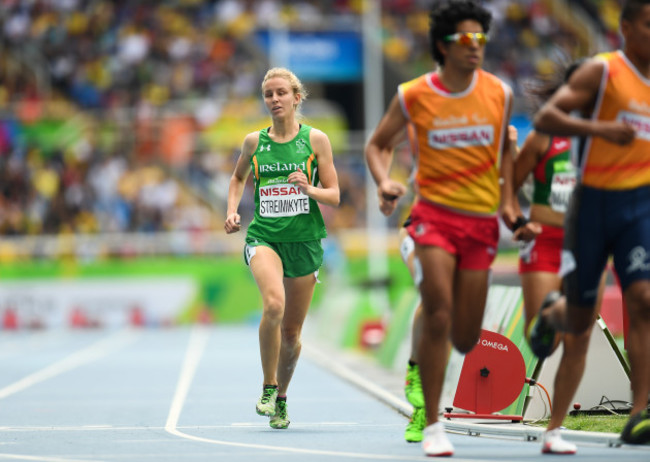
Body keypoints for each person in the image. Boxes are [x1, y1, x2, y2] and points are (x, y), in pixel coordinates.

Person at [365, 0, 527, 456]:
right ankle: (433, 423)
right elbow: (378, 145)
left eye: (482, 39)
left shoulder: (500, 93)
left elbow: (507, 152)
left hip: (481, 224)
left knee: (465, 335)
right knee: (437, 307)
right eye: (465, 39)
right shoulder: (414, 94)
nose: (476, 47)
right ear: (443, 45)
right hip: (432, 217)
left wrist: (511, 204)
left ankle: (428, 368)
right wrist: (385, 181)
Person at [530, 0, 650, 445]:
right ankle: (553, 311)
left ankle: (639, 414)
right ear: (626, 27)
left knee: (643, 298)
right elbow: (546, 117)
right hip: (593, 204)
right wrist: (601, 131)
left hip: (639, 205)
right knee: (579, 320)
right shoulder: (602, 72)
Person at [224, 67, 340, 430]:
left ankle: (283, 398)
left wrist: (309, 189)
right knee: (273, 303)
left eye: (280, 93)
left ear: (296, 97)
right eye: (268, 94)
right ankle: (268, 386)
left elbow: (335, 196)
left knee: (291, 334)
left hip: (304, 243)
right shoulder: (253, 142)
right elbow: (237, 178)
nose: (274, 100)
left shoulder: (317, 140)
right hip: (265, 238)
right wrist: (231, 210)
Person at [513, 59, 611, 454]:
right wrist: (518, 220)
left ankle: (555, 430)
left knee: (581, 336)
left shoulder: (609, 137)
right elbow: (511, 183)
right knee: (543, 343)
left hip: (588, 241)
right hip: (545, 241)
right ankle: (554, 310)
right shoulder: (543, 135)